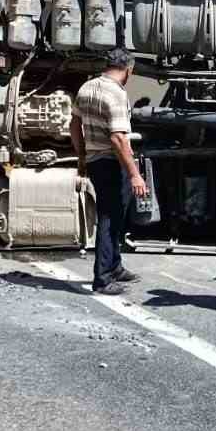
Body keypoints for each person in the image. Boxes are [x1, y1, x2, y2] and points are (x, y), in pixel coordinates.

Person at [71, 49, 149, 295]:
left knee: (116, 213)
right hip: (112, 163)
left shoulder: (87, 87)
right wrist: (135, 174)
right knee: (109, 217)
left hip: (95, 160)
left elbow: (74, 125)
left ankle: (115, 266)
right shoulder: (116, 93)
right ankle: (102, 278)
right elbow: (118, 139)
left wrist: (82, 156)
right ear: (129, 69)